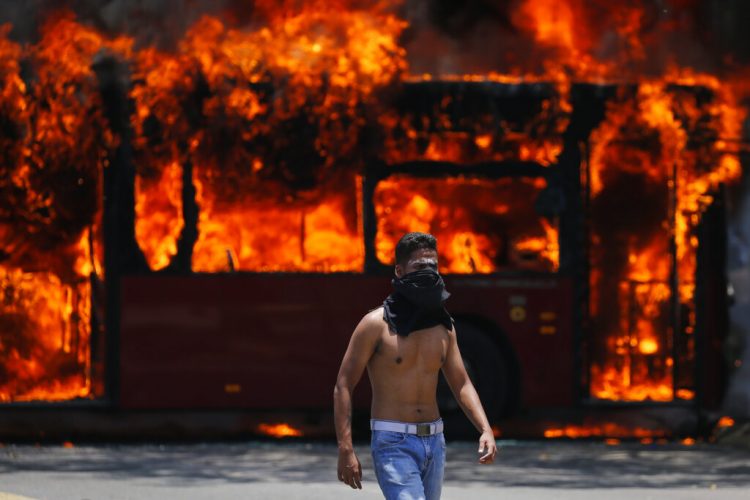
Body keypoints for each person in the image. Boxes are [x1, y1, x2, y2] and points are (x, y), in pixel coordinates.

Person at [333, 232, 497, 499]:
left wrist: (485, 429)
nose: (428, 272)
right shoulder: (375, 325)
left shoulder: (445, 327)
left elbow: (462, 383)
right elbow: (343, 385)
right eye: (420, 266)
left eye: (433, 266)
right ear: (400, 271)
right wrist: (345, 448)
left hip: (435, 441)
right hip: (393, 441)